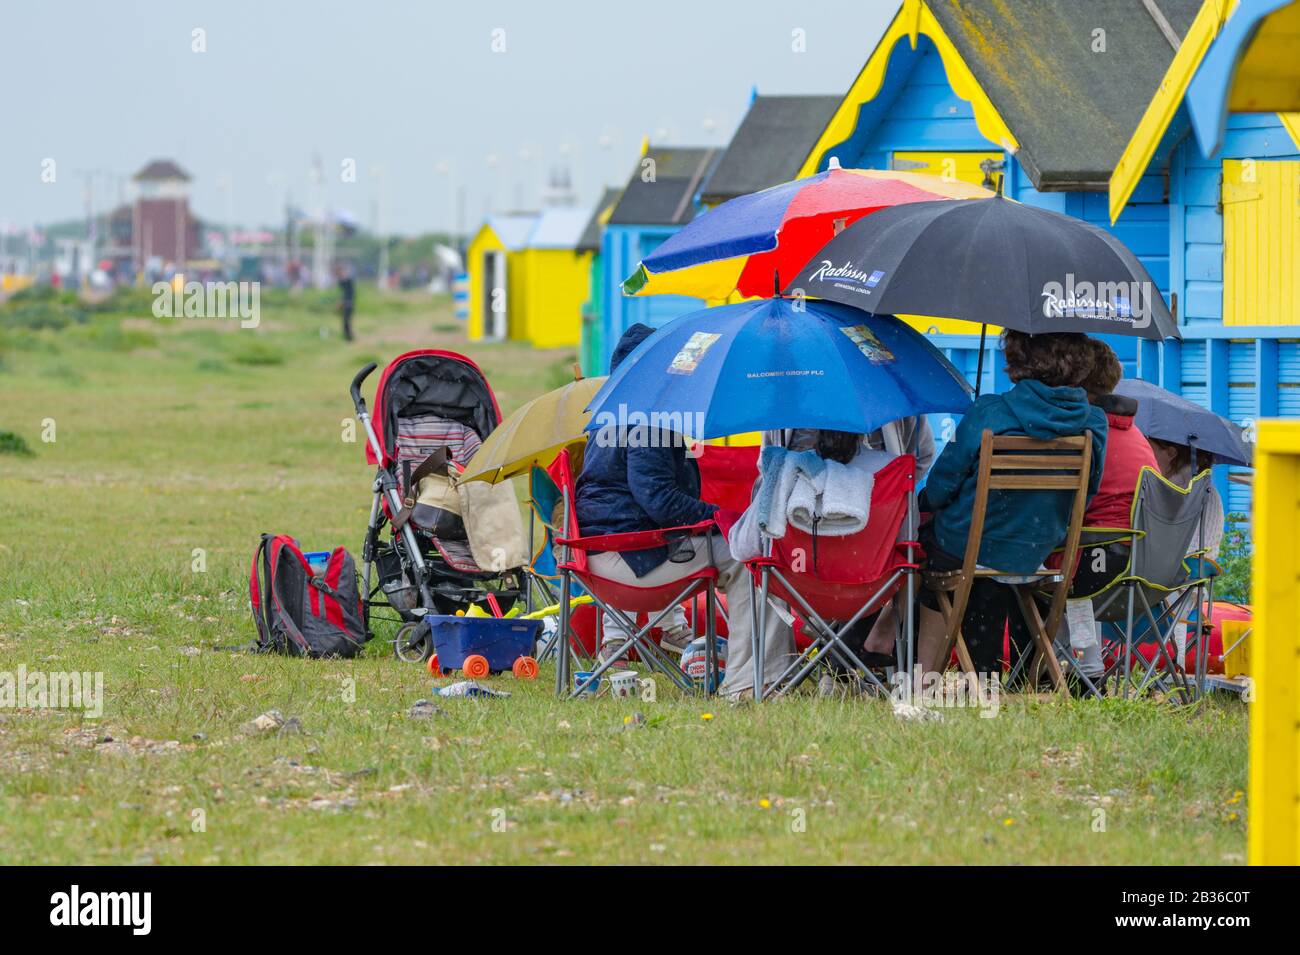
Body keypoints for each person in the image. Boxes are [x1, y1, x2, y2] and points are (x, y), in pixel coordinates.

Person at [575, 324, 792, 697]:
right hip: (630, 558)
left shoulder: (613, 411)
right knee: (751, 557)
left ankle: (759, 675)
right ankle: (748, 683)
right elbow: (657, 498)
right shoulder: (649, 414)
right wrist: (721, 518)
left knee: (741, 551)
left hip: (597, 557)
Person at [915, 331, 1107, 679]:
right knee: (988, 563)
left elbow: (942, 487)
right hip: (1036, 550)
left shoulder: (990, 411)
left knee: (930, 554)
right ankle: (1014, 677)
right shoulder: (1093, 422)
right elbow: (1087, 495)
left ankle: (923, 680)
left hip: (968, 550)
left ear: (1018, 360)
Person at [1147, 437, 1225, 559]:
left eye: (1151, 449)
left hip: (1178, 570)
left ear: (1171, 453)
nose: (1148, 455)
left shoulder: (1176, 489)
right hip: (1197, 571)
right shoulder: (1205, 488)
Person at [335, 263, 356, 341]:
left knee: (346, 321)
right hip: (345, 303)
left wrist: (342, 301)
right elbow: (342, 293)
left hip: (348, 302)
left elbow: (350, 293)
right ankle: (348, 337)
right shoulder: (341, 281)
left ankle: (350, 338)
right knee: (345, 321)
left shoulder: (348, 281)